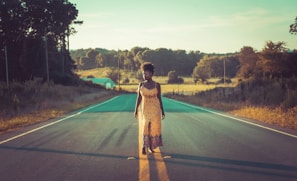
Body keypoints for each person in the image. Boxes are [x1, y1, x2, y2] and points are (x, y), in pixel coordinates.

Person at [134, 62, 165, 155]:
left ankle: (151, 147)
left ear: (151, 74)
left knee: (154, 128)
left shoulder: (157, 85)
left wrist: (162, 111)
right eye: (143, 73)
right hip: (145, 109)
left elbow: (159, 98)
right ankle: (144, 146)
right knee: (145, 126)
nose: (144, 75)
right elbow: (139, 98)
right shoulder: (141, 85)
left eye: (146, 73)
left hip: (155, 109)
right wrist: (135, 110)